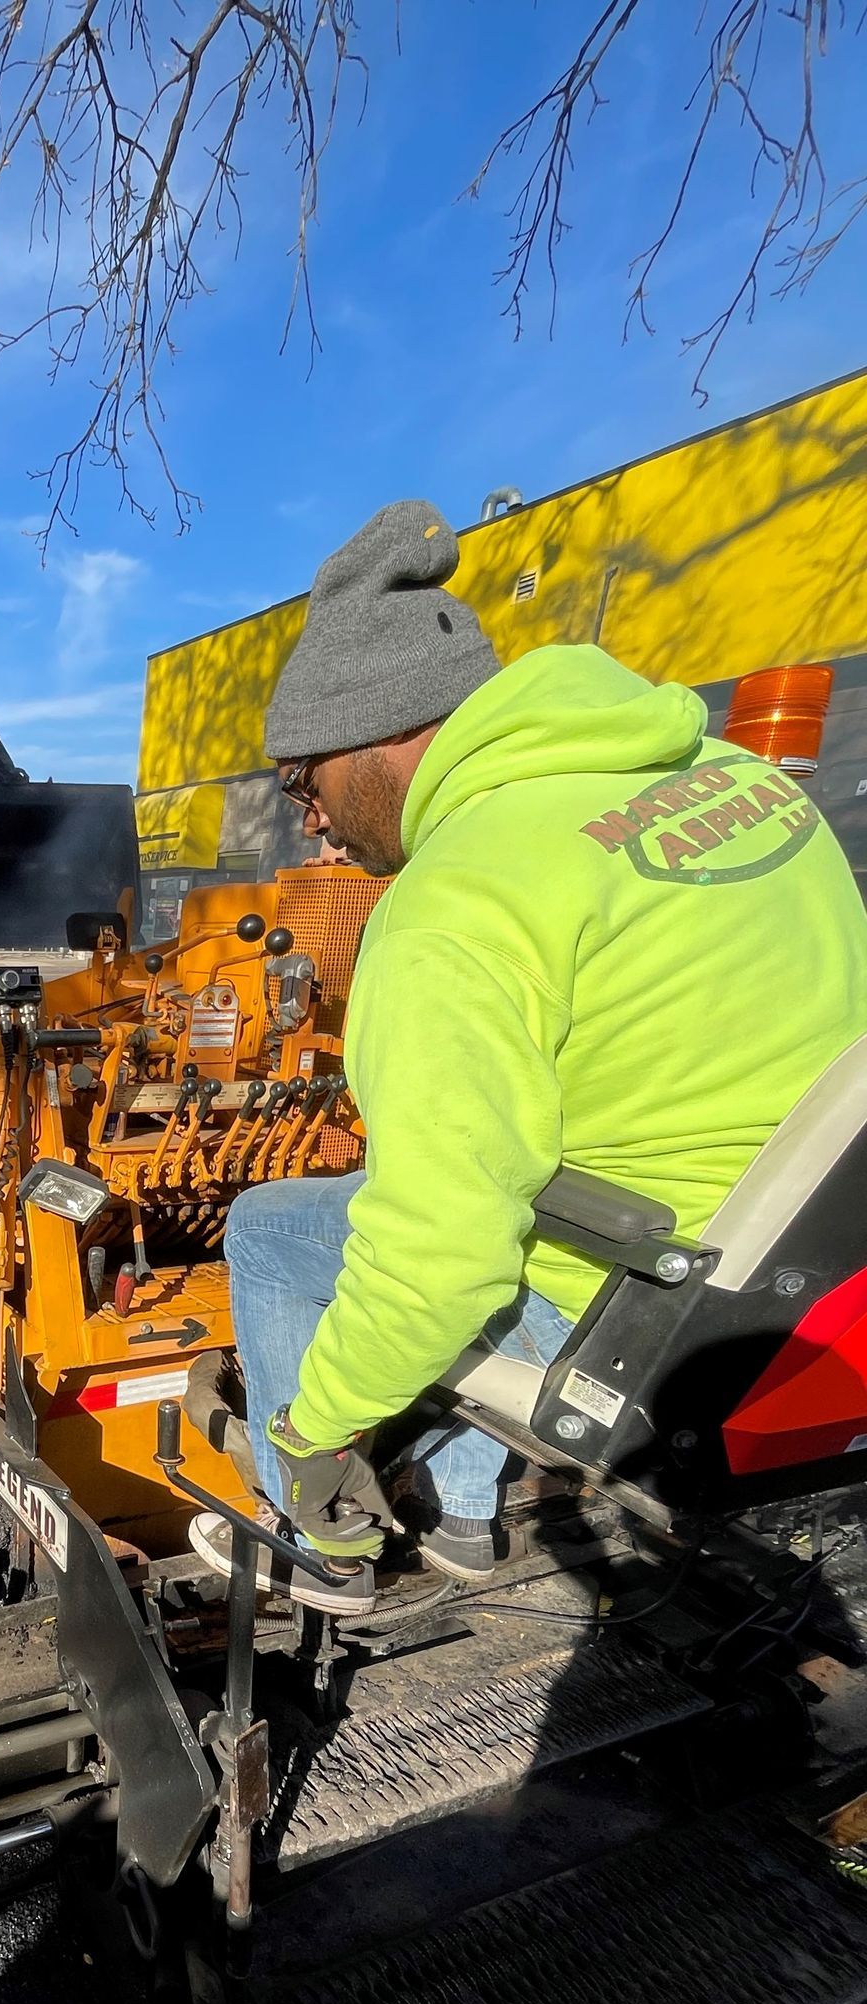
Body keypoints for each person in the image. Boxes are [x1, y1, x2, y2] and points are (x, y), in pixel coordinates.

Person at [193, 496, 867, 1594]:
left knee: (276, 1227)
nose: (308, 820)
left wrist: (319, 1427)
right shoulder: (743, 785)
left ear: (373, 737)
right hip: (810, 1293)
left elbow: (441, 1261)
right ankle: (463, 1517)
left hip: (641, 1328)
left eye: (300, 783)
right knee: (482, 1192)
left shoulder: (455, 906)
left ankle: (318, 1537)